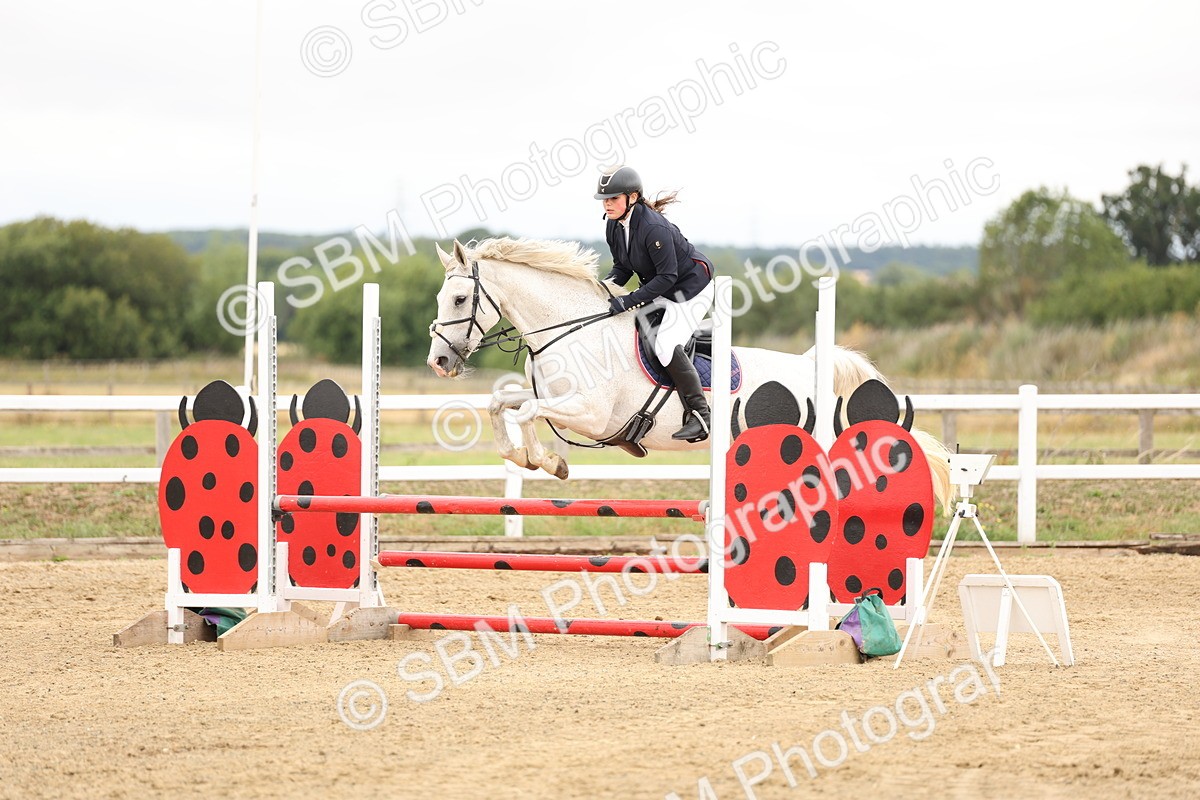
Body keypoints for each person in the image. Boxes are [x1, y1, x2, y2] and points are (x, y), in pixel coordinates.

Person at [595, 165, 715, 442]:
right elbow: (622, 269)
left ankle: (700, 414)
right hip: (661, 286)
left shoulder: (653, 227)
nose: (608, 204)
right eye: (605, 199)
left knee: (665, 343)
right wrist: (604, 291)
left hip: (691, 288)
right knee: (629, 330)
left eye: (614, 198)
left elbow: (668, 276)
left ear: (632, 198)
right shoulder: (614, 225)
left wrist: (627, 301)